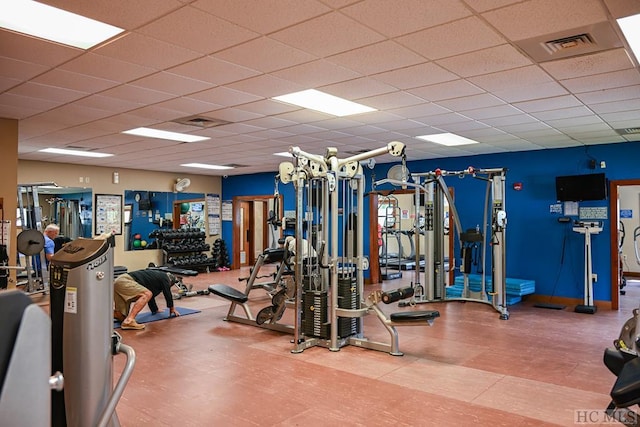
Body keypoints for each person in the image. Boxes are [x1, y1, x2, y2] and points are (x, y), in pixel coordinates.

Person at [113, 269, 180, 330]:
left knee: (121, 316)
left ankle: (109, 315)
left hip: (118, 281)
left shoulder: (155, 277)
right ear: (170, 282)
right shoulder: (165, 278)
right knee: (146, 294)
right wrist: (172, 308)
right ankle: (129, 321)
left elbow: (151, 295)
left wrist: (155, 309)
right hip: (126, 281)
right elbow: (167, 292)